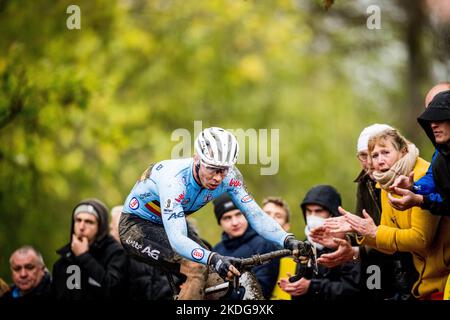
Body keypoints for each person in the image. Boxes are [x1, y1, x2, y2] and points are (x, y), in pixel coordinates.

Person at [119, 127, 308, 300]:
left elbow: (256, 215)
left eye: (223, 170)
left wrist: (287, 240)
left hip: (170, 222)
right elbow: (177, 239)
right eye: (212, 168)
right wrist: (213, 258)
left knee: (225, 278)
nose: (218, 177)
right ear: (196, 159)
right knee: (197, 267)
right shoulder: (174, 181)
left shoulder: (231, 177)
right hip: (137, 226)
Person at [335, 128, 450, 299]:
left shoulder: (420, 176)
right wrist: (360, 230)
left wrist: (375, 231)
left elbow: (420, 240)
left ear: (402, 151)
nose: (380, 161)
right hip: (424, 284)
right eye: (375, 155)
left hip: (444, 280)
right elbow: (388, 245)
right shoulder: (386, 181)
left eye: (385, 152)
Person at [314, 124, 417, 300]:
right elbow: (363, 233)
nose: (370, 162)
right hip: (381, 269)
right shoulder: (365, 182)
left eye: (377, 154)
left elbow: (415, 238)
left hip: (415, 272)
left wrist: (361, 243)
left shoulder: (411, 177)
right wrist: (344, 238)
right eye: (364, 155)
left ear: (399, 151)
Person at [278, 185, 360, 301]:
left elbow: (354, 290)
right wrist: (296, 286)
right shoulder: (305, 246)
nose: (312, 217)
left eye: (318, 211)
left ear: (332, 213)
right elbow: (304, 285)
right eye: (309, 211)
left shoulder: (347, 243)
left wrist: (312, 286)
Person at [387, 83, 450, 211]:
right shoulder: (441, 156)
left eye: (440, 114)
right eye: (430, 115)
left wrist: (421, 200)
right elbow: (433, 180)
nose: (433, 124)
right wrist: (414, 187)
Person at [52, 198, 128, 300]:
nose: (82, 227)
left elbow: (114, 290)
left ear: (100, 226)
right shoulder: (64, 260)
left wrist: (84, 257)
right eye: (78, 220)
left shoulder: (116, 253)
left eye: (89, 222)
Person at [212, 194, 280, 299]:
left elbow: (261, 290)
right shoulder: (216, 251)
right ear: (219, 223)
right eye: (227, 218)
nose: (235, 222)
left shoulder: (264, 244)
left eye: (238, 214)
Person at [110, 204, 174, 300]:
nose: (125, 231)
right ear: (110, 229)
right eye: (118, 226)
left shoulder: (148, 249)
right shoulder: (111, 254)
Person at [261, 196, 296, 300]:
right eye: (267, 214)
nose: (271, 218)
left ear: (286, 226)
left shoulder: (293, 256)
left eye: (278, 216)